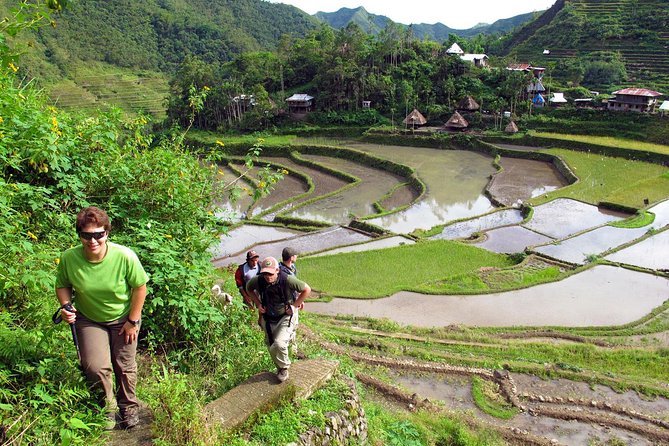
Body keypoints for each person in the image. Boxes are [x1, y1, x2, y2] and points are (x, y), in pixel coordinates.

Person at [55, 207, 149, 430]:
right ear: (79, 235)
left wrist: (132, 321)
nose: (93, 240)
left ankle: (129, 407)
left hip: (123, 317)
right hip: (89, 319)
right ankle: (106, 408)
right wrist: (65, 305)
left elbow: (140, 287)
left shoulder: (124, 256)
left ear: (107, 233)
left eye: (99, 234)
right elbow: (62, 285)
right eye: (87, 235)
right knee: (95, 366)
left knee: (124, 365)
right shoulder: (70, 258)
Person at [246, 256, 310, 383]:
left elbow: (306, 289)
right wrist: (258, 304)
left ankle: (284, 368)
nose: (268, 277)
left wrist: (295, 305)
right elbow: (248, 288)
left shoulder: (287, 280)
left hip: (285, 317)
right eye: (265, 273)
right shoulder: (259, 280)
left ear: (277, 270)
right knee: (271, 346)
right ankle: (280, 367)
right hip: (269, 318)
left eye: (270, 273)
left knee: (279, 344)